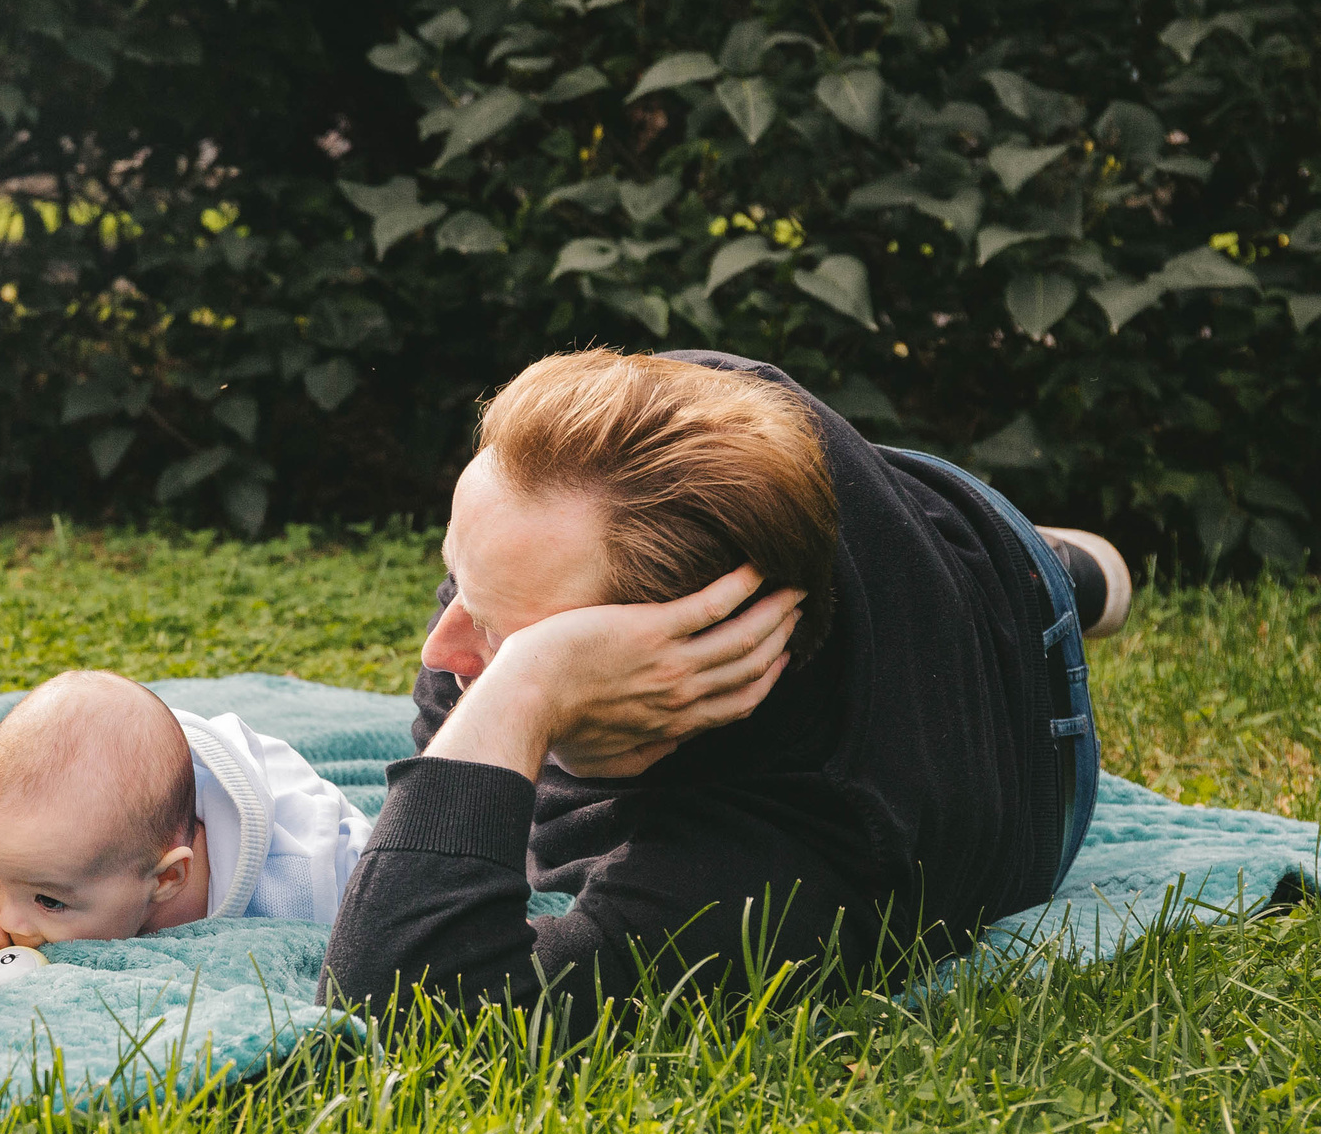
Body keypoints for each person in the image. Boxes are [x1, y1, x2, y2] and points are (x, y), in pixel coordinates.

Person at [317, 348, 1124, 1033]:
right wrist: (514, 654)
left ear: (683, 646)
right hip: (855, 483)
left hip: (1011, 639)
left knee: (1019, 582)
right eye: (458, 579)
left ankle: (1058, 571)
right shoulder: (603, 489)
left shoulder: (788, 863)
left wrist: (524, 687)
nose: (438, 649)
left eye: (520, 639)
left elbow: (397, 1007)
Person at [0, 670, 372, 963]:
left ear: (166, 879)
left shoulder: (302, 887)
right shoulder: (41, 863)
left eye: (49, 901)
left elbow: (383, 920)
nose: (8, 921)